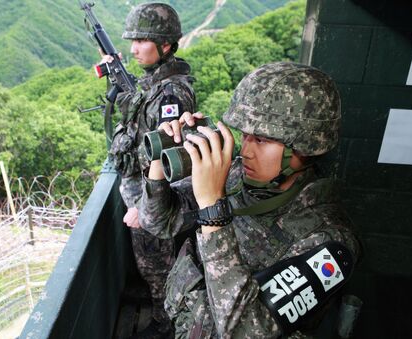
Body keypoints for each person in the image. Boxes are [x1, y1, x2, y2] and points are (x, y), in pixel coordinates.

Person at [139, 62, 361, 338]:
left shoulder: (329, 241)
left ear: (306, 146)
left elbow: (245, 332)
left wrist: (213, 212)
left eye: (261, 140)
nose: (246, 151)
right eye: (244, 135)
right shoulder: (236, 177)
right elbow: (158, 223)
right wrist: (160, 161)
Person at [99, 3, 196, 337]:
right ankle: (157, 300)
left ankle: (164, 322)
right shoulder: (155, 82)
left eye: (142, 40)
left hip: (152, 204)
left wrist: (144, 208)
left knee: (159, 268)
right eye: (133, 40)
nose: (133, 48)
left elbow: (173, 164)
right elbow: (142, 121)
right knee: (149, 265)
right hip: (141, 195)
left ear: (166, 45)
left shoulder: (172, 95)